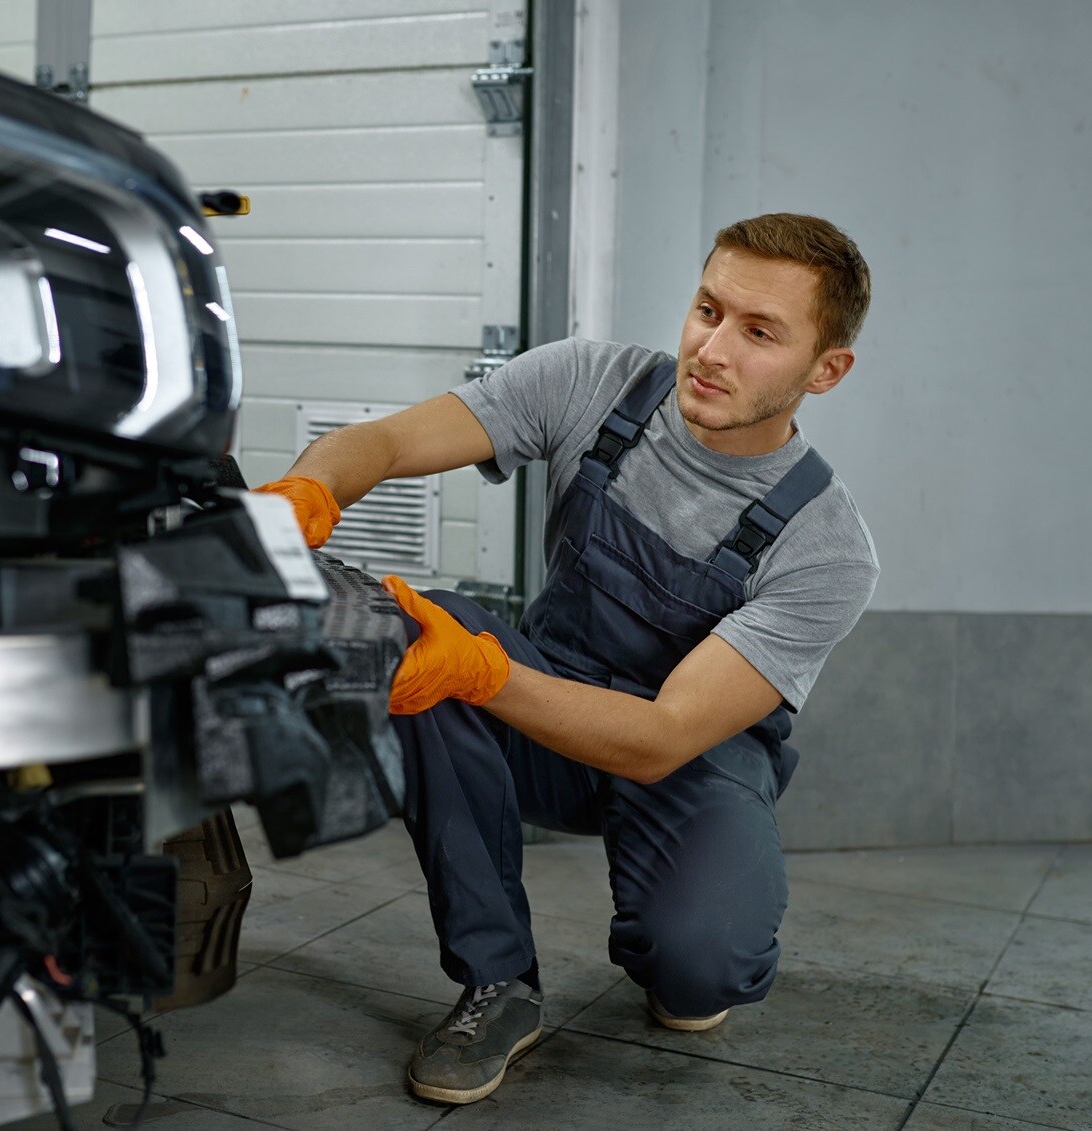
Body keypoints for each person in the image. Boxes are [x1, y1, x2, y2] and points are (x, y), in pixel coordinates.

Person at [254, 213, 879, 1105]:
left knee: (703, 964)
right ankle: (498, 982)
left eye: (759, 332)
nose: (712, 348)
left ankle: (681, 947)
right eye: (708, 309)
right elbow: (387, 442)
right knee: (424, 635)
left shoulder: (825, 545)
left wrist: (486, 674)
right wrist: (312, 486)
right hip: (548, 701)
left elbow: (664, 737)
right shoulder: (594, 382)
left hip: (689, 756)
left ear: (827, 369)